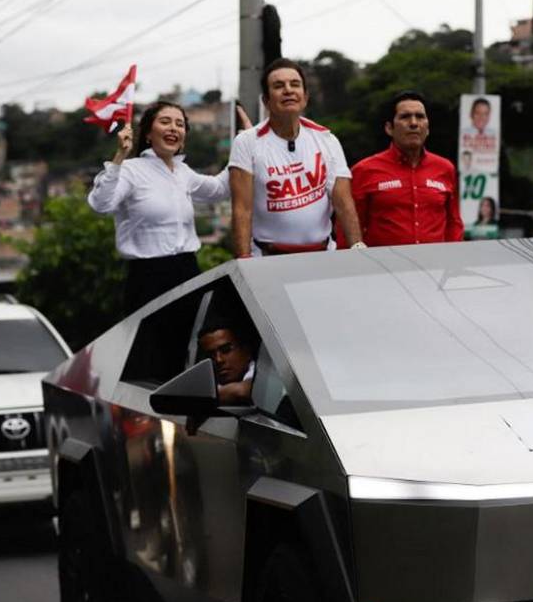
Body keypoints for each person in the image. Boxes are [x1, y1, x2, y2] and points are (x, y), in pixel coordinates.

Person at [89, 100, 230, 315]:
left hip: (188, 271)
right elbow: (101, 204)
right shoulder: (130, 170)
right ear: (147, 134)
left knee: (190, 343)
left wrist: (245, 147)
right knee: (151, 346)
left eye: (180, 124)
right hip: (148, 278)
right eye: (165, 122)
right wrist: (119, 157)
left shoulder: (184, 172)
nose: (174, 128)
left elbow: (220, 189)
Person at [229, 58, 363, 257]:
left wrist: (358, 248)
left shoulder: (327, 139)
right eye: (278, 86)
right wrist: (244, 261)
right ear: (266, 101)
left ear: (305, 97)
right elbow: (242, 210)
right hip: (267, 258)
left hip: (322, 255)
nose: (288, 90)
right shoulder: (246, 142)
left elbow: (343, 203)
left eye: (295, 84)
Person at [346, 91, 463, 247]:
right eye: (405, 117)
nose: (414, 123)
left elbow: (454, 224)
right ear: (389, 128)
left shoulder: (445, 169)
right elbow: (348, 227)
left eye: (420, 117)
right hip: (384, 268)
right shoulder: (364, 170)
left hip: (434, 267)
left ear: (427, 128)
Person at [197, 317, 256, 405]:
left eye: (226, 350)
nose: (218, 359)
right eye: (210, 356)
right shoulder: (205, 382)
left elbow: (246, 391)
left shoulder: (266, 373)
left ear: (246, 351)